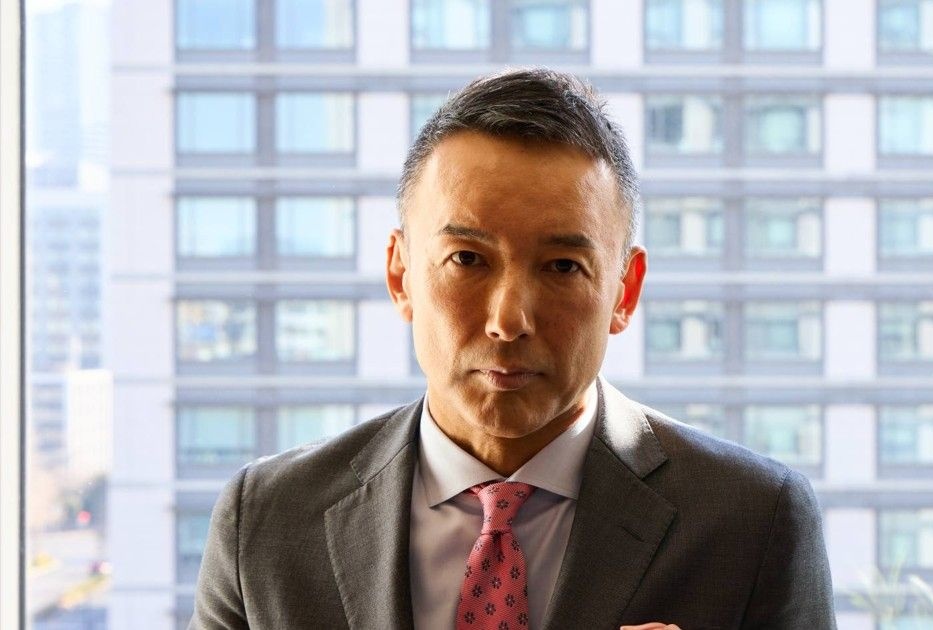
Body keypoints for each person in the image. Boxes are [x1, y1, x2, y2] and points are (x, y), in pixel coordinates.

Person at [190, 68, 835, 630]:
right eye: (467, 259)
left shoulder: (754, 520)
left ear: (625, 291)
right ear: (401, 273)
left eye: (562, 267)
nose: (508, 320)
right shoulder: (266, 521)